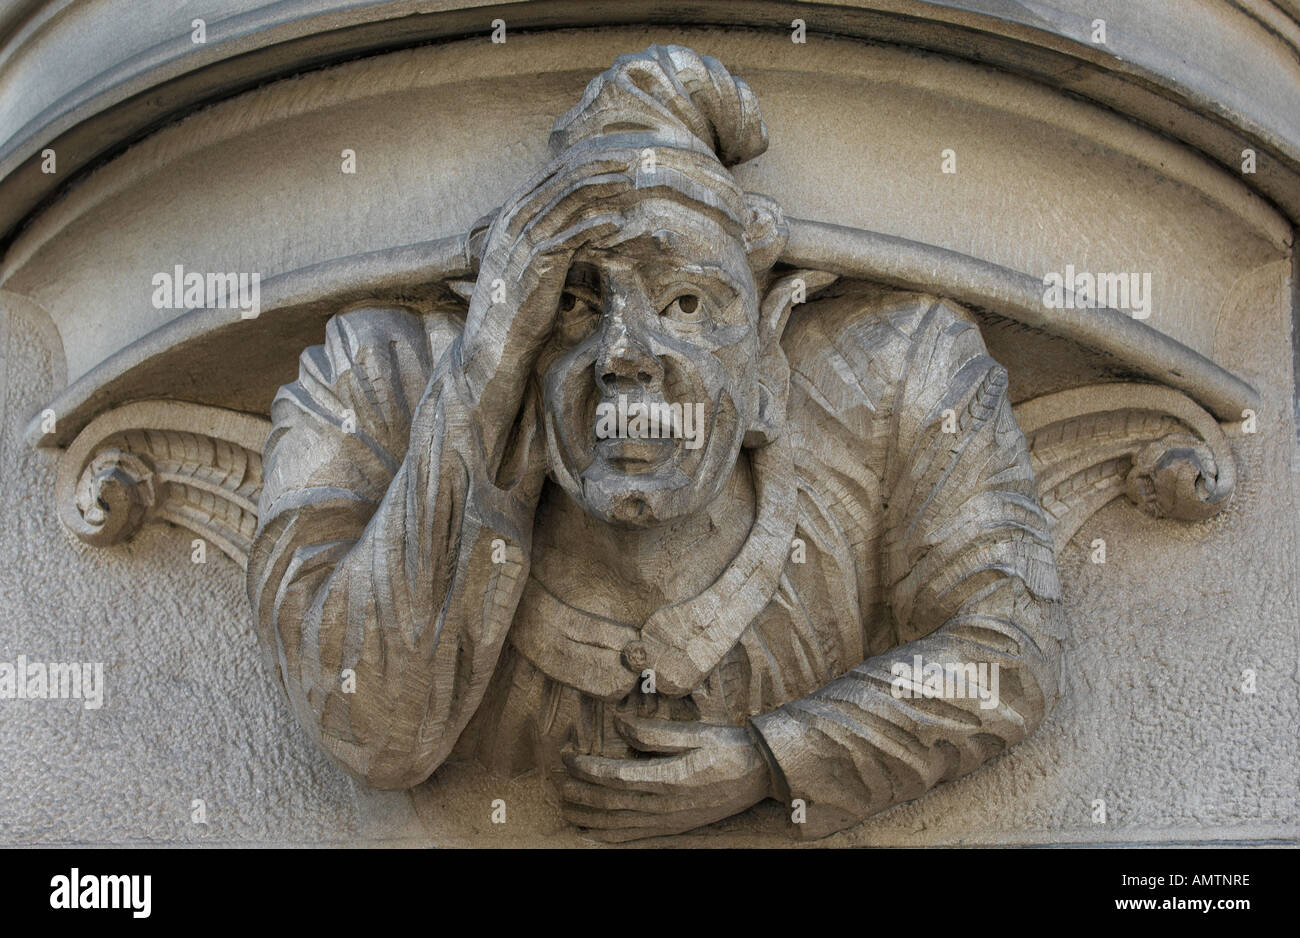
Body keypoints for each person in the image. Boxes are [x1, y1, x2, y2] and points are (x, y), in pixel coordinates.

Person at [248, 45, 1063, 841]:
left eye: (685, 302)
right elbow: (369, 726)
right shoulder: (377, 379)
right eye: (570, 303)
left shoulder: (898, 376)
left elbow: (1007, 653)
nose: (624, 355)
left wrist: (773, 759)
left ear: (770, 349)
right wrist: (482, 375)